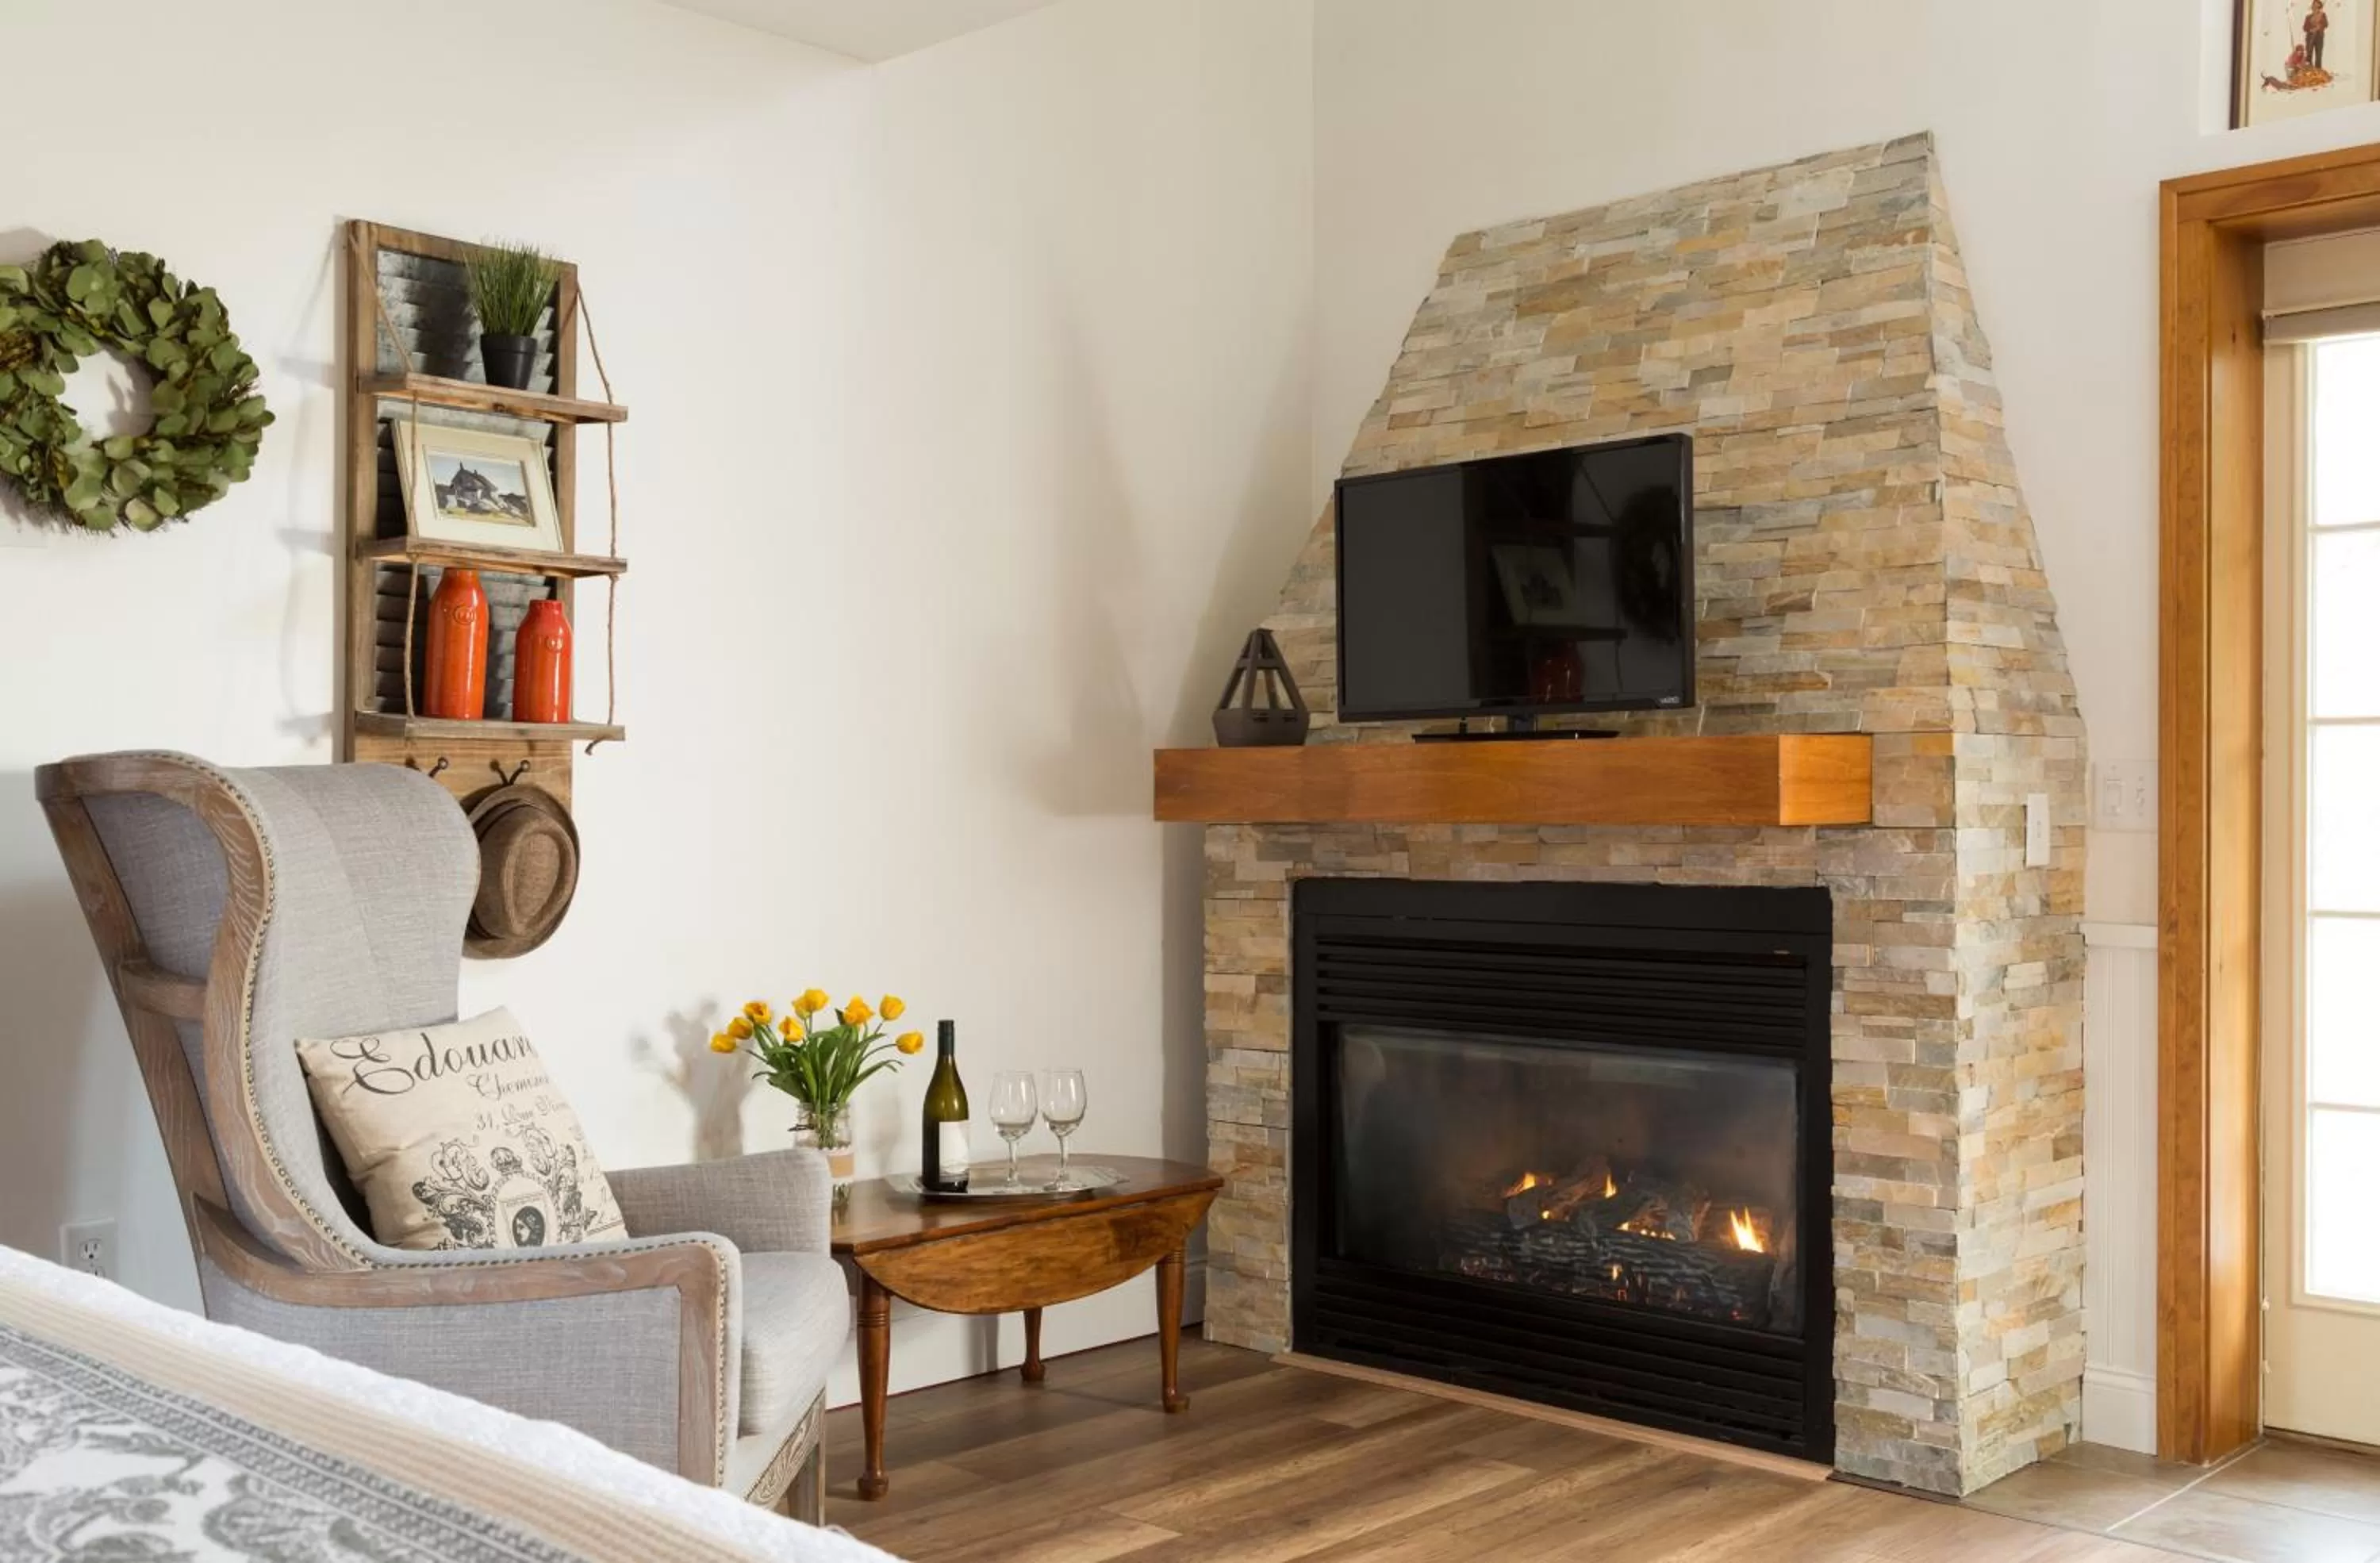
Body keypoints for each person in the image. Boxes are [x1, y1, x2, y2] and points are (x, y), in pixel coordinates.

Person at [2307, 0, 2331, 72]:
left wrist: (2319, 26)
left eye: (2317, 5)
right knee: (2309, 53)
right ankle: (2309, 70)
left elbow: (2326, 24)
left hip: (2319, 37)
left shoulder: (2322, 15)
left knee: (2319, 54)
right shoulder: (2308, 16)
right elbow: (2305, 27)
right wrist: (2311, 30)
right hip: (2310, 37)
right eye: (2314, 5)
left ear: (2320, 7)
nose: (2315, 7)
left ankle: (2318, 70)